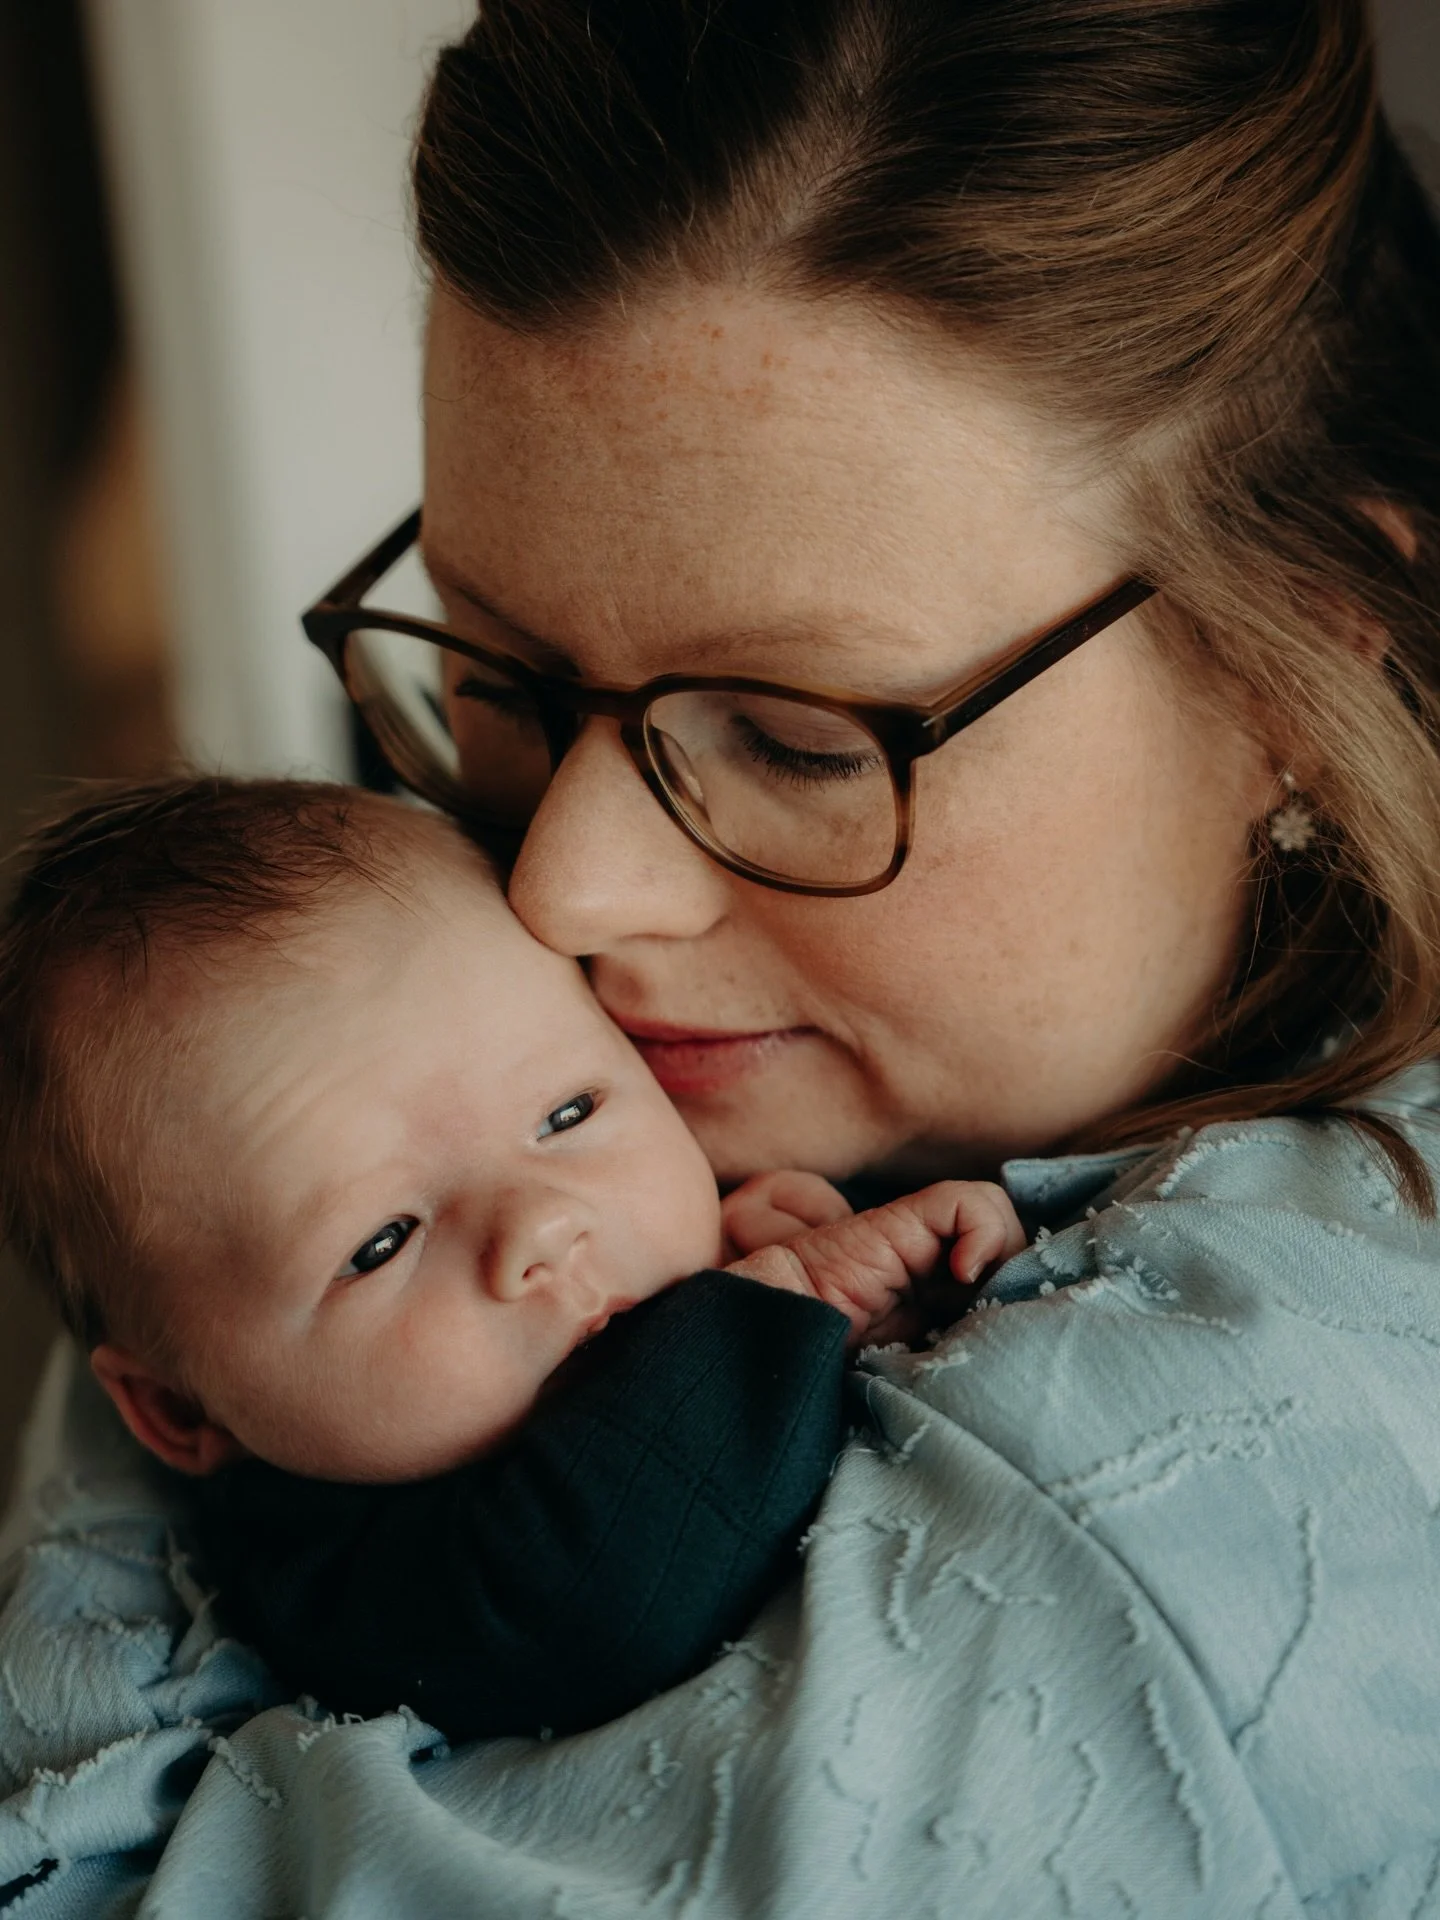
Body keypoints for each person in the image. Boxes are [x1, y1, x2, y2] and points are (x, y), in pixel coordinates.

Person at [2, 1, 1439, 1913]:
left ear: (1290, 666)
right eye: (502, 674)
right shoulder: (398, 1086)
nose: (564, 896)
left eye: (800, 738)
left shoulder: (1198, 1492)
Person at [0, 774, 1021, 1745]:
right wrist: (786, 1303)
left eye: (568, 1113)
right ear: (184, 1411)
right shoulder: (334, 1552)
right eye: (381, 1241)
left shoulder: (725, 1228)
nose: (539, 1227)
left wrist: (821, 1260)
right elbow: (594, 1593)